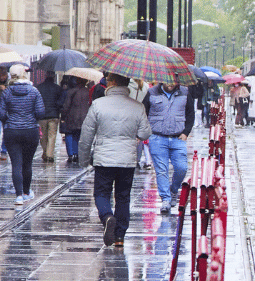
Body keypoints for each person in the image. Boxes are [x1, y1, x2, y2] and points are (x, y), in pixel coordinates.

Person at [78, 73, 152, 247]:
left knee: (101, 193)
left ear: (112, 83)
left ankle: (107, 217)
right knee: (123, 196)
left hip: (104, 158)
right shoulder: (137, 106)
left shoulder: (98, 105)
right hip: (127, 159)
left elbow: (86, 135)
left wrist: (83, 159)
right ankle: (119, 236)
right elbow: (145, 133)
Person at [144, 82, 195, 214]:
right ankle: (165, 200)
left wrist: (186, 132)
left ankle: (173, 189)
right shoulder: (151, 92)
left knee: (182, 167)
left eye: (173, 81)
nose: (170, 84)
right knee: (161, 170)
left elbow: (190, 114)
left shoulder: (184, 92)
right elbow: (143, 113)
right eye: (167, 80)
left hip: (178, 138)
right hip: (157, 137)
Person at [0, 65, 45, 205]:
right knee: (27, 163)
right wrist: (30, 119)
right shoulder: (34, 91)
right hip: (30, 131)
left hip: (12, 131)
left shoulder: (6, 92)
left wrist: (10, 120)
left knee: (16, 163)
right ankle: (26, 192)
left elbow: (0, 113)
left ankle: (18, 196)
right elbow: (41, 113)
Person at [61, 76, 91, 163]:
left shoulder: (71, 91)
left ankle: (71, 154)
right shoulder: (88, 91)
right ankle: (78, 154)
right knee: (80, 136)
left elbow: (66, 106)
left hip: (72, 117)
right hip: (85, 117)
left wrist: (63, 116)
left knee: (71, 134)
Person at [35, 71, 63, 162]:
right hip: (54, 115)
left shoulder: (39, 88)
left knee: (43, 136)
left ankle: (45, 152)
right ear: (54, 77)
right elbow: (60, 102)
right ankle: (50, 155)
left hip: (42, 116)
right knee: (52, 136)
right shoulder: (58, 88)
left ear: (45, 76)